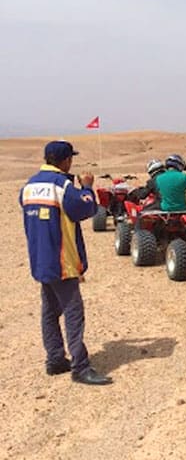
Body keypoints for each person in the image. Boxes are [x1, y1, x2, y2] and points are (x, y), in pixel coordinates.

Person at [19, 140, 112, 385]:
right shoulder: (61, 186)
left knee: (49, 311)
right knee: (73, 312)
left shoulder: (28, 186)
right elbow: (86, 209)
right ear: (65, 161)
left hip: (40, 259)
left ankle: (55, 359)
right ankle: (80, 367)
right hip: (61, 261)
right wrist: (87, 188)